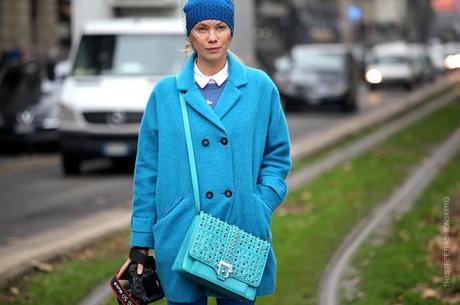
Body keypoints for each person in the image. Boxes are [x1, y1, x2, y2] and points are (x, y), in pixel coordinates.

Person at [117, 0, 292, 304]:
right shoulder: (165, 94)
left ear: (230, 32)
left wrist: (260, 203)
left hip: (241, 228)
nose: (212, 37)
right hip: (181, 228)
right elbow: (147, 171)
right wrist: (140, 243)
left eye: (220, 27)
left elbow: (277, 155)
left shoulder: (260, 88)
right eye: (202, 28)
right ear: (190, 35)